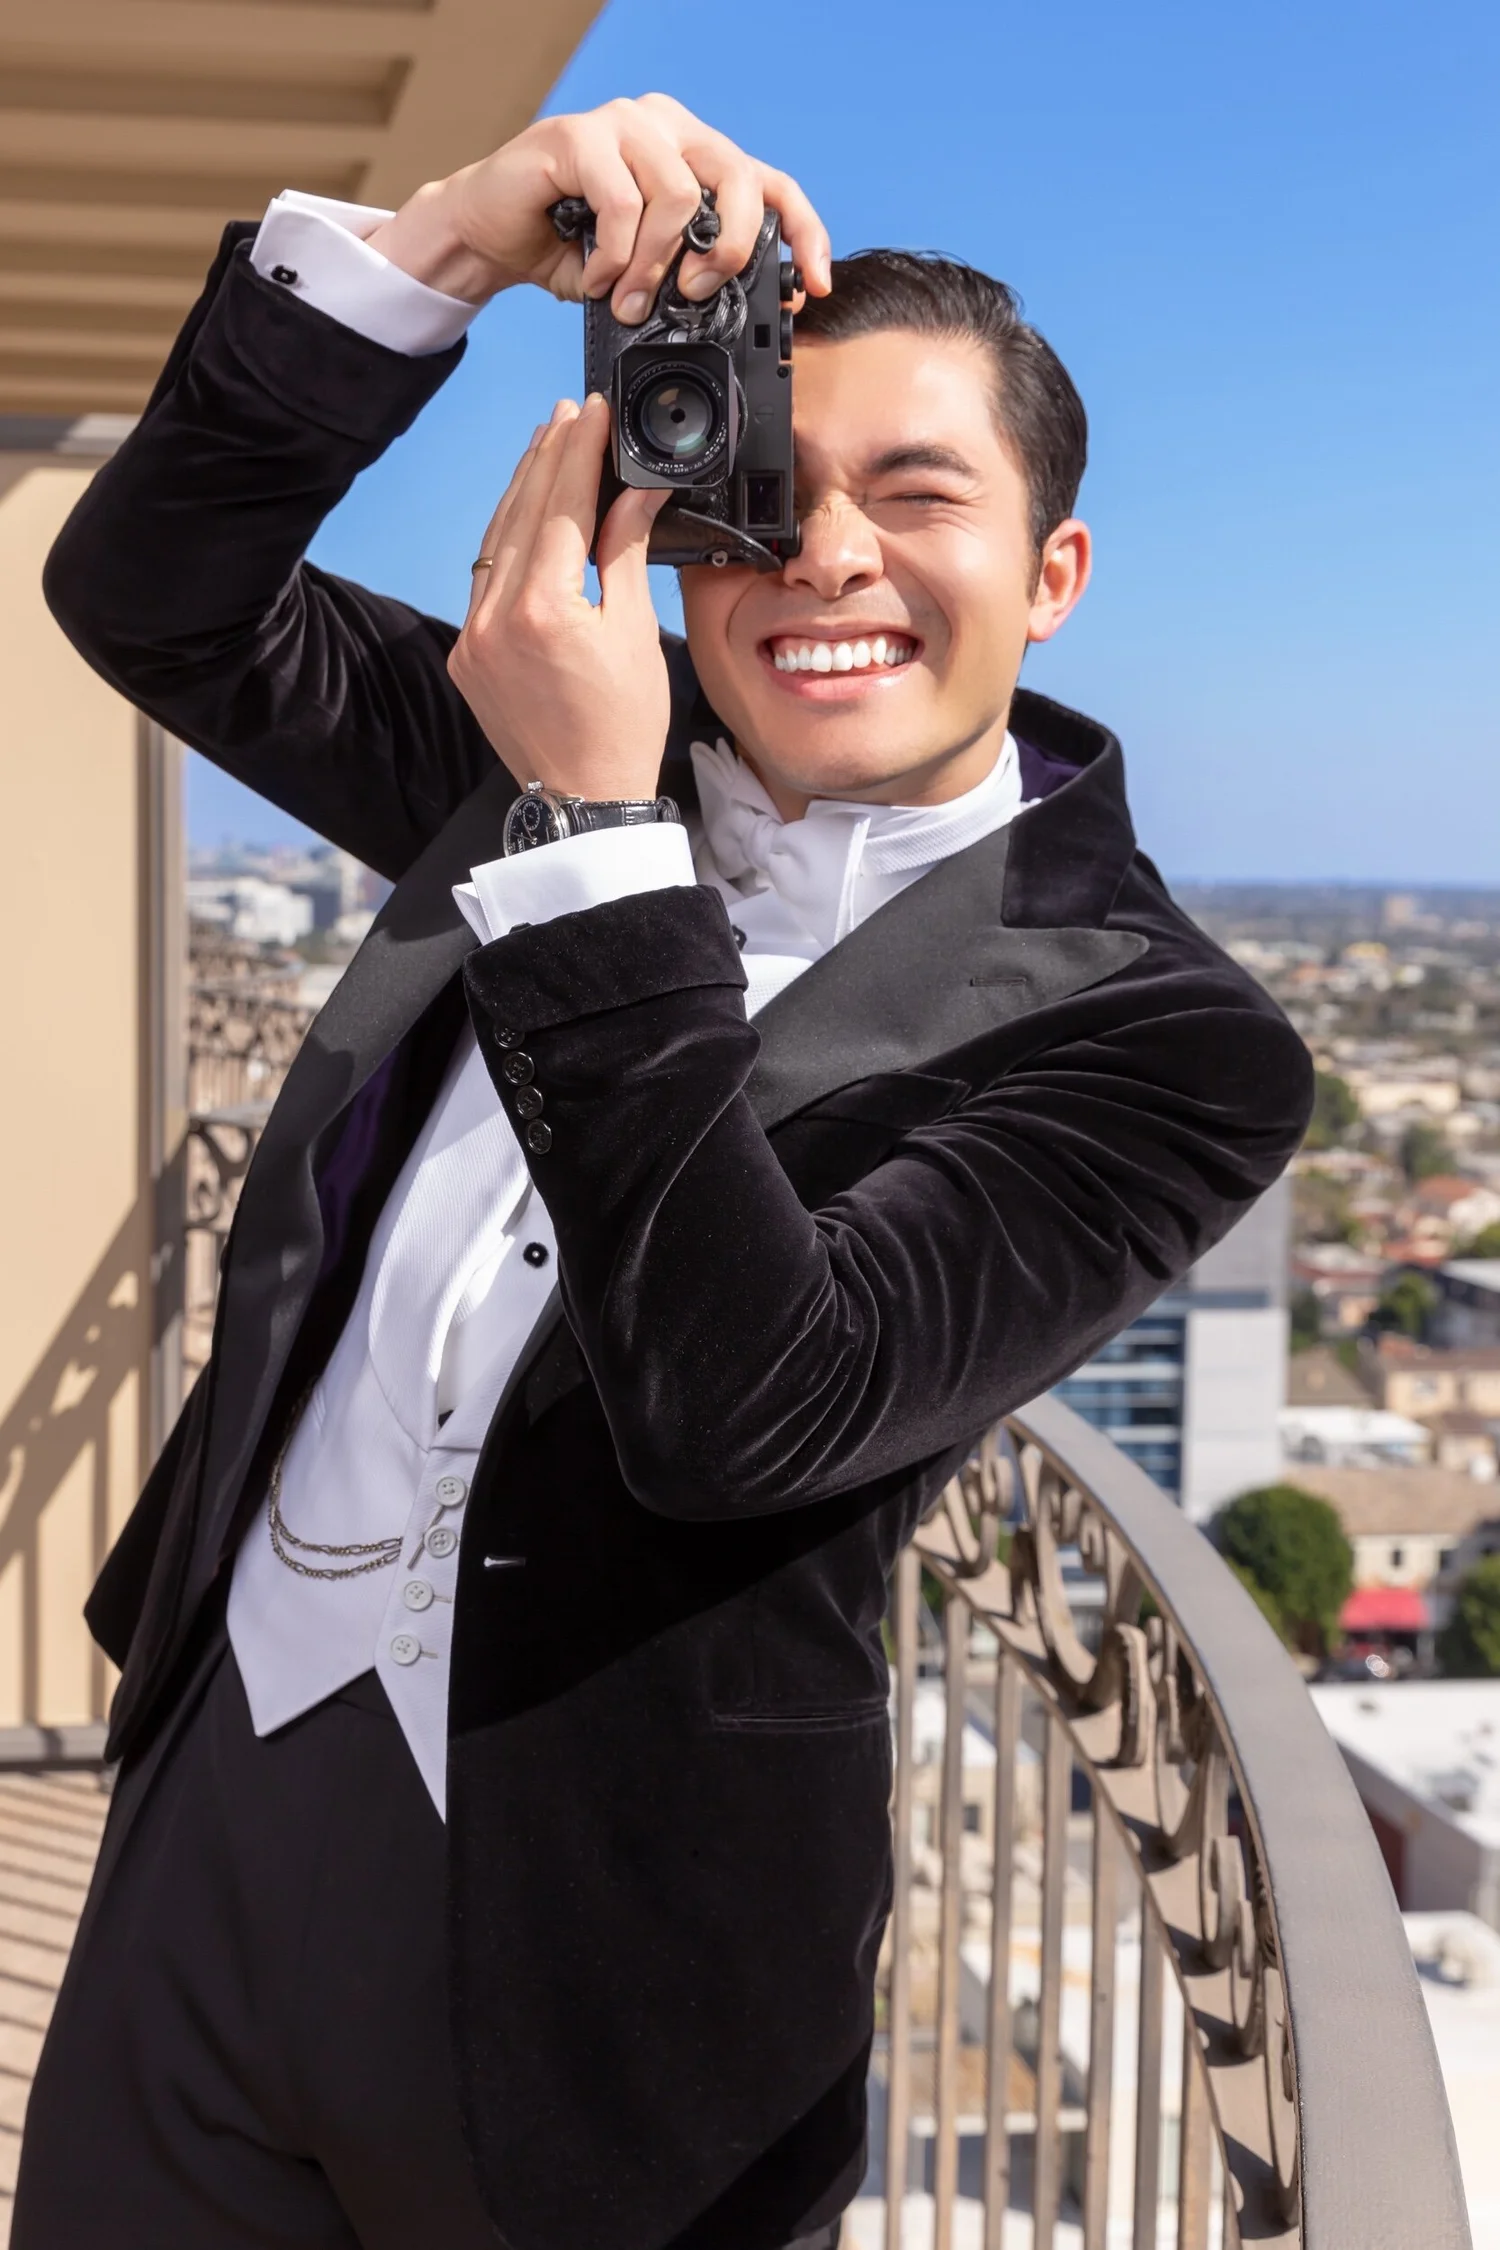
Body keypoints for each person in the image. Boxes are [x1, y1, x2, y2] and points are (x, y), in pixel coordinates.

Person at [16, 90, 1312, 2250]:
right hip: (214, 1806)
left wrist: (602, 846)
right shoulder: (540, 746)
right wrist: (445, 240)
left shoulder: (1168, 1038)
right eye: (759, 490)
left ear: (1054, 576)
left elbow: (750, 1406)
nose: (824, 557)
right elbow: (149, 592)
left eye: (920, 495)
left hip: (606, 1982)